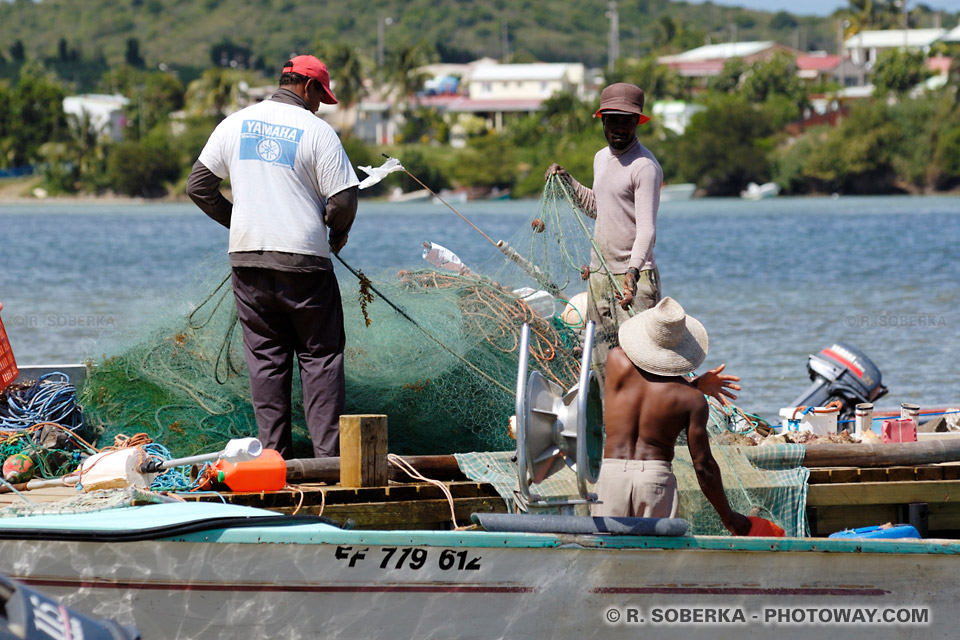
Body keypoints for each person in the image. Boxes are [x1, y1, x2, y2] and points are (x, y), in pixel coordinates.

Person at [187, 55, 359, 459]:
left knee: (266, 361)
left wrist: (242, 222)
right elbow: (344, 200)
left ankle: (273, 462)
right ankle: (328, 465)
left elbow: (199, 186)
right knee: (320, 358)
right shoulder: (318, 132)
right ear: (307, 87)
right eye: (321, 96)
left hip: (247, 262)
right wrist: (336, 232)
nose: (320, 105)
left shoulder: (234, 123)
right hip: (304, 264)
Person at [590, 296, 752, 536]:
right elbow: (703, 466)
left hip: (611, 475)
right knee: (654, 563)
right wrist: (728, 517)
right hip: (654, 481)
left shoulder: (616, 361)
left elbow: (647, 384)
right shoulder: (692, 400)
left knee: (606, 557)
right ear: (681, 349)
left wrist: (694, 384)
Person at [545, 83, 662, 385]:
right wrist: (567, 181)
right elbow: (598, 207)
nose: (619, 127)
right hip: (599, 274)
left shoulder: (644, 167)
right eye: (612, 119)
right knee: (601, 362)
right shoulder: (600, 158)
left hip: (632, 279)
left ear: (638, 122)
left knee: (639, 363)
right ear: (602, 121)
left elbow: (647, 228)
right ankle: (611, 427)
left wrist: (633, 272)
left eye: (627, 120)